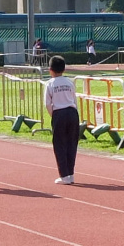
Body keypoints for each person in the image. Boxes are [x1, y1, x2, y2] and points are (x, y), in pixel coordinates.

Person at [45, 55, 79, 184]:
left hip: (59, 113)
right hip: (72, 112)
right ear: (64, 69)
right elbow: (74, 99)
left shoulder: (50, 83)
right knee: (71, 143)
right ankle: (70, 174)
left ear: (50, 70)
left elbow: (47, 103)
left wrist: (53, 115)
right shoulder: (69, 82)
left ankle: (64, 175)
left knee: (60, 145)